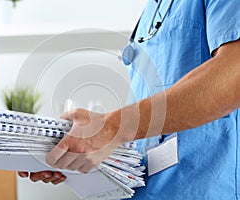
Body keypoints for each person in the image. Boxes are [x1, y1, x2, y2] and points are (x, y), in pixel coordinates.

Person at [19, 0, 240, 199]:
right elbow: (150, 134)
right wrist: (79, 153)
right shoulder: (150, 12)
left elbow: (234, 75)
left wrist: (110, 129)